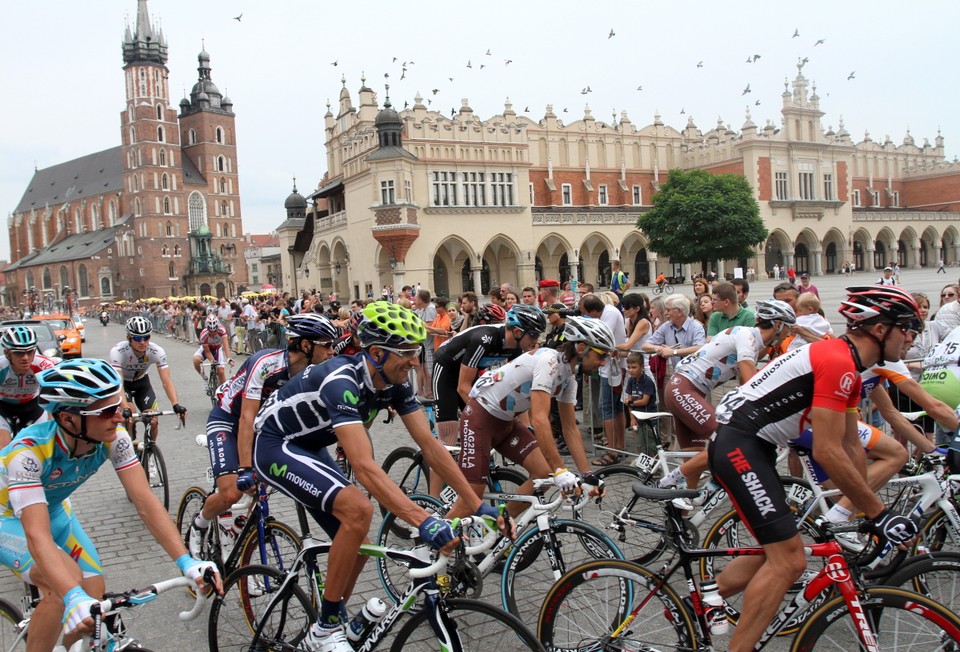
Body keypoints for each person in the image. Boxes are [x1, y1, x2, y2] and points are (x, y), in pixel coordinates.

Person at [252, 302, 505, 652]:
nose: (415, 362)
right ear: (375, 353)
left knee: (356, 544)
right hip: (275, 444)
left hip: (309, 445)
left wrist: (477, 505)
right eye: (406, 353)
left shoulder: (394, 383)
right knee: (359, 510)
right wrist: (425, 521)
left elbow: (431, 447)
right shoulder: (341, 380)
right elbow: (365, 466)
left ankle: (333, 616)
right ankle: (324, 630)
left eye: (416, 352)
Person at [709, 286, 922, 652]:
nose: (913, 339)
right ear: (881, 329)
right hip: (740, 444)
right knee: (789, 560)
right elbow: (825, 449)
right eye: (908, 328)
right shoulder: (837, 361)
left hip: (751, 445)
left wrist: (851, 509)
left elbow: (850, 445)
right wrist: (881, 513)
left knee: (781, 543)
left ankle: (707, 596)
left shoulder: (852, 369)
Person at [0, 359, 220, 651]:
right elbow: (36, 534)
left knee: (93, 598)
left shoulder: (114, 440)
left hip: (55, 511)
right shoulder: (27, 454)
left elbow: (145, 501)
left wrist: (186, 562)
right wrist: (70, 594)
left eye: (117, 406)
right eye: (106, 411)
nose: (119, 417)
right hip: (8, 519)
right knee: (64, 585)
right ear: (68, 419)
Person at [187, 313, 340, 557]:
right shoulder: (266, 363)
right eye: (327, 345)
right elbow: (246, 417)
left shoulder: (312, 372)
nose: (333, 351)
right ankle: (200, 524)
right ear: (305, 345)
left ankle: (242, 538)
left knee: (264, 482)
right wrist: (246, 468)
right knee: (231, 492)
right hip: (228, 420)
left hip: (262, 425)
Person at [446, 316, 615, 521]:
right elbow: (540, 419)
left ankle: (498, 523)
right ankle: (433, 544)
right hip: (480, 419)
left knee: (543, 475)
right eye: (601, 354)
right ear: (581, 348)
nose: (604, 361)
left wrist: (587, 474)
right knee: (471, 499)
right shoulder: (549, 361)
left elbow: (570, 429)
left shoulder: (569, 378)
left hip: (506, 422)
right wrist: (560, 469)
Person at [659, 300, 797, 490]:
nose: (789, 334)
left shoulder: (751, 343)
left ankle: (683, 510)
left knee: (696, 454)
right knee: (725, 442)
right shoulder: (747, 337)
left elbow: (744, 388)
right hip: (684, 389)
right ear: (778, 324)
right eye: (788, 328)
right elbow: (752, 383)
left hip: (685, 389)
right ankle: (668, 481)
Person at [432, 304, 545, 447]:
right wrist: (489, 414)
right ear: (517, 332)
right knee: (449, 439)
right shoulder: (483, 339)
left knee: (481, 429)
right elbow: (463, 387)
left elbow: (515, 387)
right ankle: (438, 466)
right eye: (534, 335)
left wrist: (526, 427)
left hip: (470, 373)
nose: (536, 341)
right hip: (446, 371)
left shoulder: (516, 347)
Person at [110, 316, 186, 444]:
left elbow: (166, 380)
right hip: (124, 385)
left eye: (146, 337)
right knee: (129, 414)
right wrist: (124, 407)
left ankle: (150, 449)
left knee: (153, 420)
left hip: (142, 384)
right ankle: (130, 446)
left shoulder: (156, 351)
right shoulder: (118, 351)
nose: (142, 342)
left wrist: (175, 404)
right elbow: (118, 383)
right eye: (138, 338)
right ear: (129, 337)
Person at [0, 326, 56, 448]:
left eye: (30, 352)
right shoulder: (1, 366)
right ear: (7, 353)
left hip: (32, 406)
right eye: (19, 353)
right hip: (3, 407)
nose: (25, 358)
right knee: (2, 448)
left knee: (44, 446)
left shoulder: (43, 365)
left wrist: (53, 427)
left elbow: (54, 398)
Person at [623, 351, 658, 456]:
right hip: (637, 417)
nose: (631, 370)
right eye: (629, 367)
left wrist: (630, 403)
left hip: (649, 418)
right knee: (640, 443)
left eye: (634, 367)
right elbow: (629, 399)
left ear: (642, 367)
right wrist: (632, 418)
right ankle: (642, 462)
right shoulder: (631, 381)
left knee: (651, 444)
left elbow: (644, 401)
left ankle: (654, 465)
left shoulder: (647, 381)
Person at [193, 315, 234, 387]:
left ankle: (223, 391)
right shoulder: (203, 335)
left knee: (221, 371)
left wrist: (229, 358)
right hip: (206, 349)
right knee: (196, 360)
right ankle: (204, 377)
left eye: (215, 331)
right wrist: (212, 360)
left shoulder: (222, 330)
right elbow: (207, 352)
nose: (213, 333)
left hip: (217, 349)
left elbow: (226, 345)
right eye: (210, 332)